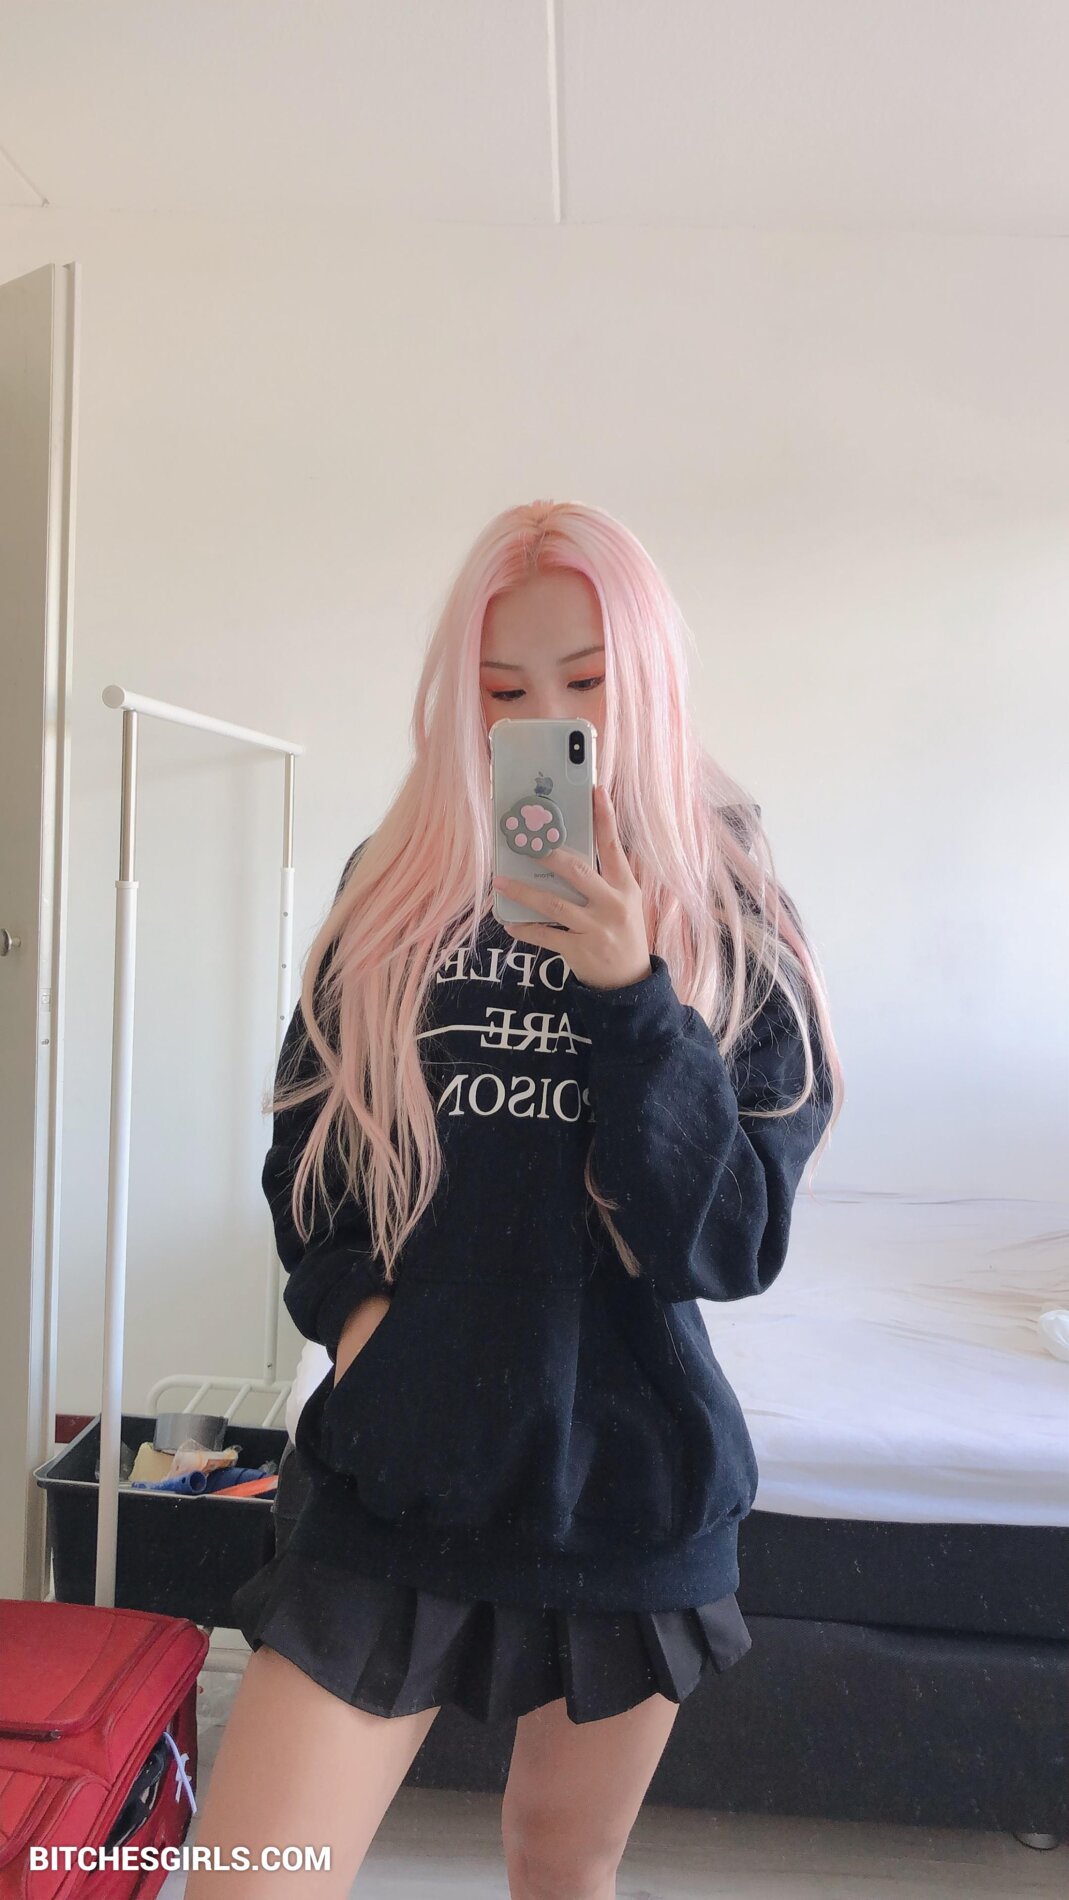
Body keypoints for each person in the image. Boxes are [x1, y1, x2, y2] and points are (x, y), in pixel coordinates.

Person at [187, 499, 842, 1896]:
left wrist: (634, 1000)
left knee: (559, 1865)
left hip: (630, 1493)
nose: (545, 718)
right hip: (397, 1476)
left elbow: (729, 1242)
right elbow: (312, 1157)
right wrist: (360, 1324)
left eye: (586, 681)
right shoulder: (398, 886)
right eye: (502, 691)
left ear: (649, 679)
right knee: (247, 1874)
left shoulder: (729, 907)